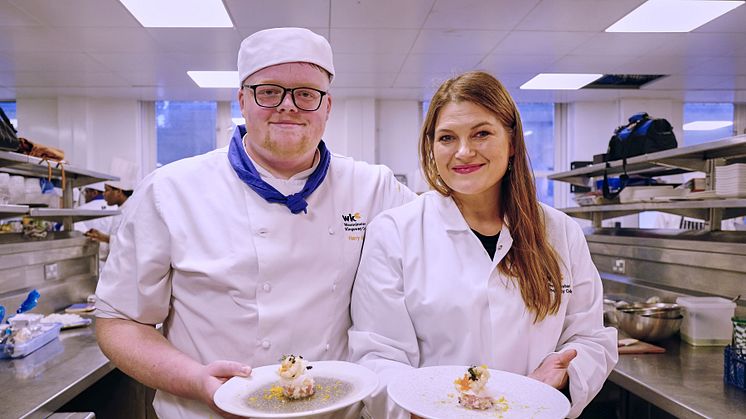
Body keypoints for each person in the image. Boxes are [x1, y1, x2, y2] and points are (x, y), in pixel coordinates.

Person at [94, 27, 415, 419]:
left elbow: (448, 234)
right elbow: (119, 322)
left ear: (327, 107)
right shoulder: (170, 192)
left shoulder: (372, 187)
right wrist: (196, 380)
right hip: (206, 413)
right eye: (268, 91)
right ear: (242, 100)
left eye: (306, 94)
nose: (288, 106)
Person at [348, 71, 618, 419]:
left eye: (482, 133)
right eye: (447, 137)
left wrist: (560, 375)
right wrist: (421, 408)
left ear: (512, 141)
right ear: (432, 146)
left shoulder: (560, 232)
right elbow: (378, 353)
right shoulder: (395, 232)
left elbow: (591, 336)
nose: (463, 151)